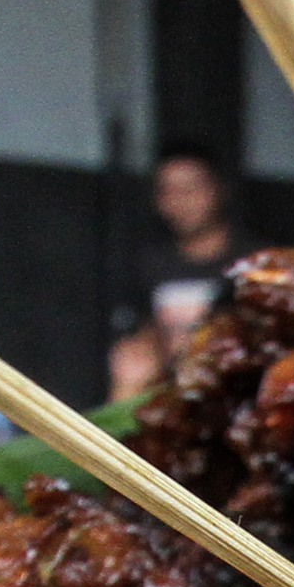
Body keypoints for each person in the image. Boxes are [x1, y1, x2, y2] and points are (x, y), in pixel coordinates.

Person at [107, 143, 243, 402]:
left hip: (231, 385)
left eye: (192, 188)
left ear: (218, 189)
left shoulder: (253, 261)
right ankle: (106, 443)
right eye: (169, 191)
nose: (181, 200)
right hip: (168, 385)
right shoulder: (150, 262)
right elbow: (142, 325)